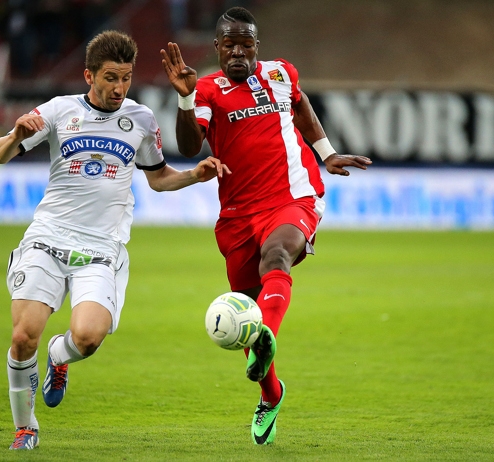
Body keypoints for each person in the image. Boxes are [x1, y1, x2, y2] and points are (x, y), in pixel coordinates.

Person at [0, 30, 229, 451]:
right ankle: (25, 429)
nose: (119, 88)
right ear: (89, 75)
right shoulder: (59, 111)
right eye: (111, 78)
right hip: (48, 237)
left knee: (87, 338)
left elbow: (157, 179)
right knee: (23, 335)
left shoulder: (140, 120)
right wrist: (14, 135)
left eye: (126, 78)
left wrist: (195, 175)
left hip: (101, 249)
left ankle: (59, 358)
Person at [160, 7, 372, 445]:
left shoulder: (281, 74)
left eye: (247, 43)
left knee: (276, 259)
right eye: (230, 44)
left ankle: (267, 334)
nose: (239, 51)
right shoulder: (205, 90)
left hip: (293, 197)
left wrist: (326, 152)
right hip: (238, 215)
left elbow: (302, 106)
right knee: (247, 306)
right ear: (217, 48)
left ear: (258, 46)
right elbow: (186, 146)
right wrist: (183, 99)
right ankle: (271, 393)